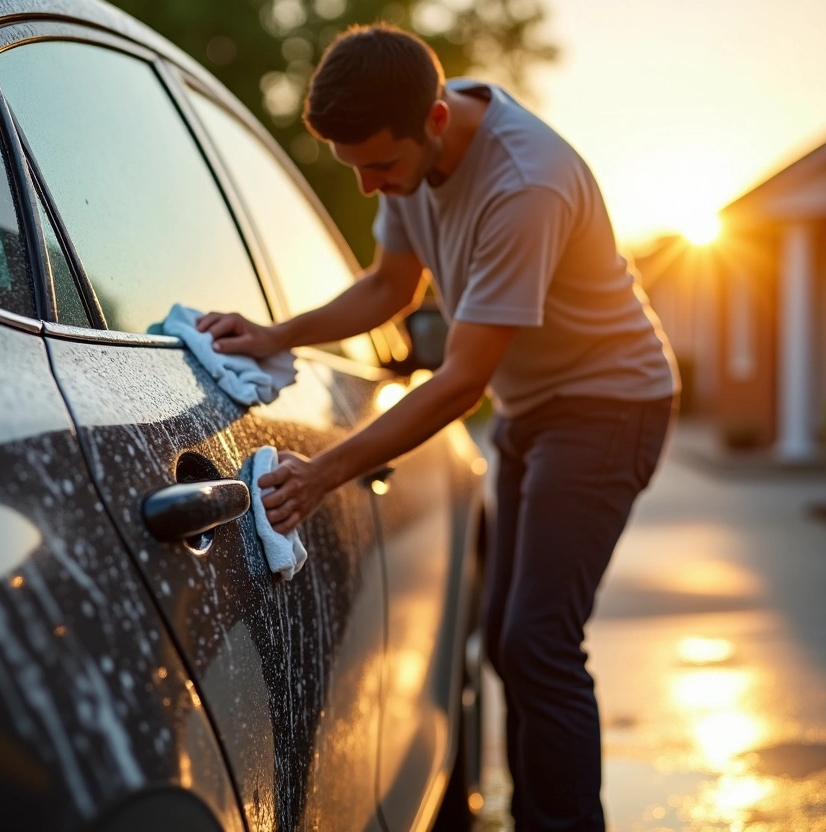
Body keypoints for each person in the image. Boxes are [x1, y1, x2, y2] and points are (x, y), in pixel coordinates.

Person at [198, 23, 678, 832]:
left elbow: (461, 381)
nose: (371, 187)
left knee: (538, 643)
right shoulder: (406, 162)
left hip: (609, 405)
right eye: (356, 169)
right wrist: (279, 335)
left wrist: (325, 472)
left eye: (380, 166)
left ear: (436, 121)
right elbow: (390, 287)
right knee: (508, 642)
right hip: (538, 409)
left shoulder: (525, 184)